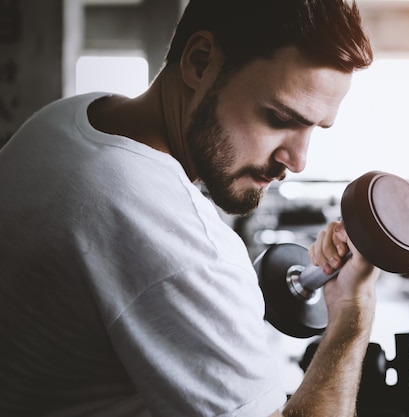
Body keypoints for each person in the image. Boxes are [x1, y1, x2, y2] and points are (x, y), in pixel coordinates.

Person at [0, 0, 378, 416]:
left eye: (313, 128)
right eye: (278, 117)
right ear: (200, 63)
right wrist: (351, 314)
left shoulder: (70, 118)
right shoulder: (184, 246)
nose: (298, 159)